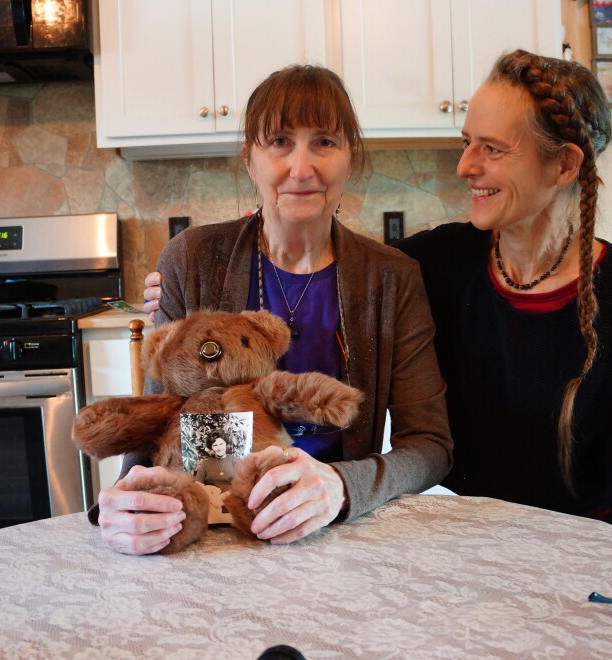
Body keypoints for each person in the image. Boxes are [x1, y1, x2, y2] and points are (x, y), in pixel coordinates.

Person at [146, 50, 612, 544]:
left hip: (580, 543)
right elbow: (156, 426)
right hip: (443, 529)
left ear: (566, 165)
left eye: (492, 149)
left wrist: (340, 485)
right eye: (466, 144)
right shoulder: (437, 262)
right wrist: (181, 280)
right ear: (249, 157)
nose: (465, 167)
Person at [98, 64, 453, 555]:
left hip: (334, 533)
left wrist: (342, 486)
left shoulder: (391, 278)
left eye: (325, 142)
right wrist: (128, 500)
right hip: (214, 535)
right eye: (280, 141)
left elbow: (430, 446)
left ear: (351, 156)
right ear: (250, 160)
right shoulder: (192, 259)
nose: (302, 168)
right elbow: (158, 415)